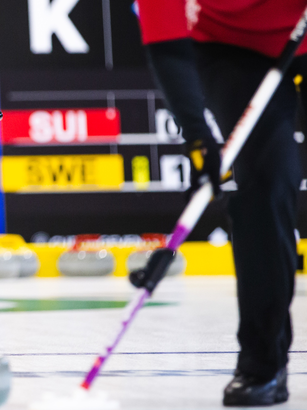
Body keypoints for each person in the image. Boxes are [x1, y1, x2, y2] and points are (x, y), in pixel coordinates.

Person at [135, 0, 307, 406]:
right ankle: (262, 364)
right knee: (265, 183)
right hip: (231, 47)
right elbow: (167, 41)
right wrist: (197, 136)